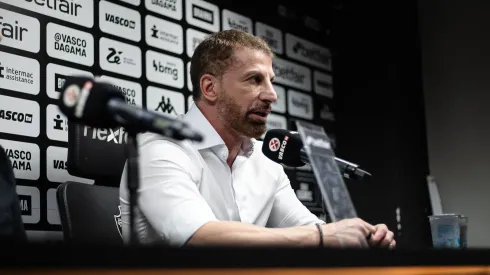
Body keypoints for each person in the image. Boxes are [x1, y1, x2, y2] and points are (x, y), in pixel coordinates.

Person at [119, 29, 395, 248]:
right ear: (210, 87)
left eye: (271, 80)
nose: (271, 95)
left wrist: (360, 237)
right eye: (254, 80)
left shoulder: (265, 158)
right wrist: (324, 238)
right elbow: (199, 236)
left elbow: (305, 227)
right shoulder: (158, 149)